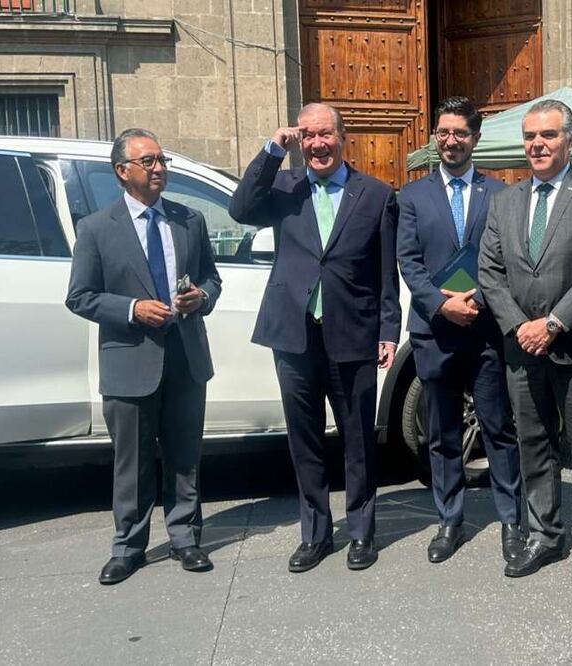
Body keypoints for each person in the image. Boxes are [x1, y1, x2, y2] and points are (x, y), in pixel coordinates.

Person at [229, 103, 400, 574]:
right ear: (299, 142)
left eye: (326, 135)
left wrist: (389, 329)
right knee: (304, 439)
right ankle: (316, 534)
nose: (318, 145)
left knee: (359, 439)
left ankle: (362, 532)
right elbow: (240, 209)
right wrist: (271, 151)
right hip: (294, 334)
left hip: (354, 333)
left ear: (343, 139)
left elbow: (387, 270)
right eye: (308, 137)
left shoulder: (377, 194)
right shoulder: (284, 187)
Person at [66, 128, 222, 585]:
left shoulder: (189, 219)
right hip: (130, 359)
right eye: (149, 161)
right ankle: (128, 547)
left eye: (162, 160)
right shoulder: (96, 229)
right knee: (131, 463)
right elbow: (80, 297)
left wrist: (202, 297)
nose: (159, 169)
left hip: (185, 354)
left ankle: (185, 539)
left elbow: (211, 279)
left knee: (184, 454)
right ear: (122, 171)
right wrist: (132, 308)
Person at [478, 99, 572, 588]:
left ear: (569, 141)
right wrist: (520, 325)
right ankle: (544, 533)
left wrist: (554, 323)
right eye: (529, 137)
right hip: (522, 346)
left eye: (547, 135)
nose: (536, 144)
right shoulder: (505, 201)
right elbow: (490, 272)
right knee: (533, 443)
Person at [396, 96, 524, 564]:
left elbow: (509, 261)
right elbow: (408, 262)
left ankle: (513, 520)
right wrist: (441, 304)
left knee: (498, 429)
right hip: (436, 331)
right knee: (443, 432)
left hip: (487, 330)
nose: (451, 141)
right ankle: (449, 520)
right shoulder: (411, 197)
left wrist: (479, 300)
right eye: (444, 132)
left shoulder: (503, 195)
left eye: (460, 133)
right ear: (434, 136)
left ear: (476, 138)